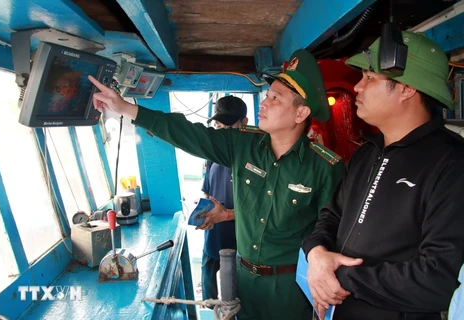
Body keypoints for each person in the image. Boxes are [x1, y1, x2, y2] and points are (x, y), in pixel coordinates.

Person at [88, 48, 343, 320]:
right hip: (243, 282)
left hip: (290, 290)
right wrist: (126, 108)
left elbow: (332, 233)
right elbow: (187, 134)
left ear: (301, 113)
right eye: (267, 96)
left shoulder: (325, 167)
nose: (265, 103)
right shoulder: (242, 144)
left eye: (275, 98)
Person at [302, 31, 464, 320]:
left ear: (407, 89)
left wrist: (339, 277)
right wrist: (316, 253)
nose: (358, 87)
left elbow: (438, 278)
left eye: (370, 78)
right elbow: (332, 216)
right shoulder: (367, 153)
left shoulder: (451, 163)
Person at [198, 96, 248, 302]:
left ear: (243, 123)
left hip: (242, 240)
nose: (223, 131)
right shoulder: (212, 154)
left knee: (239, 294)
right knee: (210, 291)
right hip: (214, 235)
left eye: (229, 125)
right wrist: (202, 214)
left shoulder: (253, 156)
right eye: (219, 125)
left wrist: (227, 215)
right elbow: (206, 192)